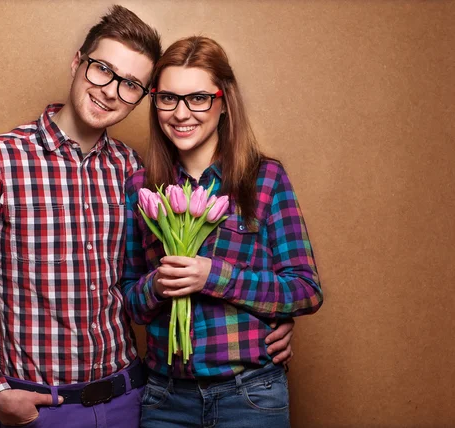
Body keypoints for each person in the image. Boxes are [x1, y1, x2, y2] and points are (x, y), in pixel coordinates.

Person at [0, 6, 295, 428]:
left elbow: (132, 286)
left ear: (141, 97)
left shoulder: (134, 171)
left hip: (131, 398)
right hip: (43, 408)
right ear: (77, 62)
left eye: (131, 85)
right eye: (102, 69)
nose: (110, 91)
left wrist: (269, 322)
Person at [121, 36, 323, 428]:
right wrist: (157, 286)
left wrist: (211, 276)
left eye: (197, 98)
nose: (181, 114)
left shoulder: (263, 179)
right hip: (165, 398)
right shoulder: (142, 187)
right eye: (167, 98)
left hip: (250, 394)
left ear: (223, 102)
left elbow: (305, 289)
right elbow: (130, 301)